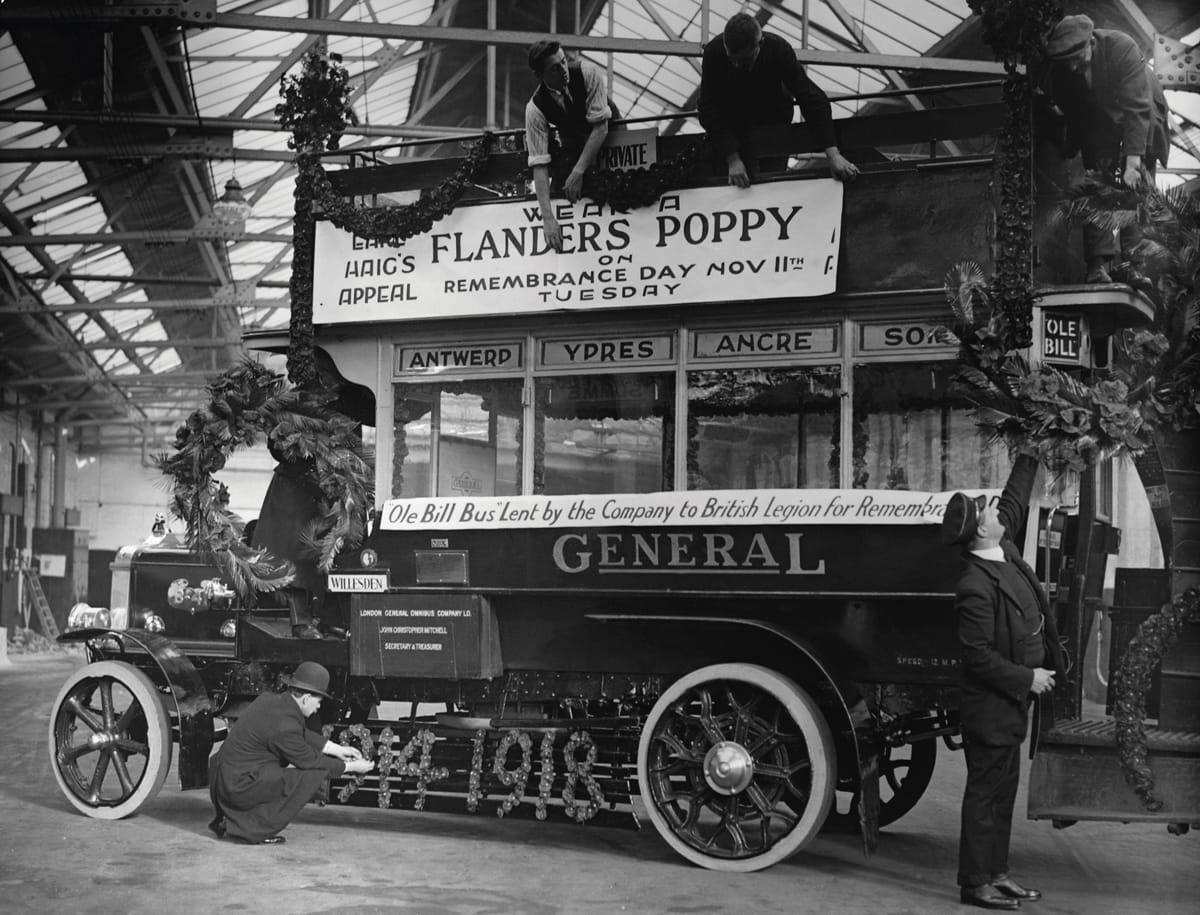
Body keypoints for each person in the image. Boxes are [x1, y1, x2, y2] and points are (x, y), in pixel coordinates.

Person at [941, 451, 1066, 910]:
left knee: (1003, 793)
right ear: (980, 529)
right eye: (989, 510)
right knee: (984, 796)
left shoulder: (1002, 547)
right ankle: (975, 884)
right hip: (992, 707)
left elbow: (1013, 500)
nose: (998, 510)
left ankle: (997, 874)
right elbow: (977, 657)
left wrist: (1032, 448)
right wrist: (1027, 678)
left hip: (1010, 707)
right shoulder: (974, 584)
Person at [1038, 14, 1171, 288]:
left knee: (1135, 185)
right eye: (1067, 62)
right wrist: (1077, 149)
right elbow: (1078, 116)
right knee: (1096, 184)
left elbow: (1136, 108)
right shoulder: (1061, 74)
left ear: (1092, 43)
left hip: (1142, 111)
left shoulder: (1121, 47)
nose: (1074, 66)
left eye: (1079, 57)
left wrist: (1132, 162)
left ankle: (1132, 266)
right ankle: (1097, 266)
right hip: (1100, 121)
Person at [208, 661, 373, 844]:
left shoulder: (272, 701)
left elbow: (302, 733)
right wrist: (351, 767)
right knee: (308, 777)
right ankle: (253, 829)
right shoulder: (285, 725)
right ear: (306, 698)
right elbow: (309, 761)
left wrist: (339, 750)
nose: (318, 707)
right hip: (237, 786)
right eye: (318, 702)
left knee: (289, 772)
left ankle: (233, 822)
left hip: (228, 777)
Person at [698, 13, 859, 187]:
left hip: (773, 128)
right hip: (732, 130)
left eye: (745, 61)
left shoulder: (778, 50)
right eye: (732, 60)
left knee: (773, 185)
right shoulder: (714, 53)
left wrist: (833, 154)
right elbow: (708, 108)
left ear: (760, 44)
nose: (738, 66)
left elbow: (810, 98)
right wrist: (732, 158)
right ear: (725, 47)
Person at [524, 39, 618, 253]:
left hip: (611, 132)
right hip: (574, 139)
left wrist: (578, 171)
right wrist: (547, 218)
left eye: (564, 61)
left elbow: (600, 129)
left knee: (618, 175)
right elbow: (539, 165)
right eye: (555, 68)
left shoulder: (588, 72)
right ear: (540, 76)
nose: (563, 70)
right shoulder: (534, 109)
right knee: (567, 183)